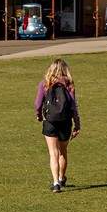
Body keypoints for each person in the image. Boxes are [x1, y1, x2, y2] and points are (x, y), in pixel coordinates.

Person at [36, 58, 81, 192]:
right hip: (65, 121)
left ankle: (55, 183)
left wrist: (39, 115)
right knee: (62, 152)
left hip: (50, 121)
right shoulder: (69, 84)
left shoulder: (44, 84)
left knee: (53, 153)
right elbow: (73, 106)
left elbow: (37, 104)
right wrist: (77, 123)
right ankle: (62, 178)